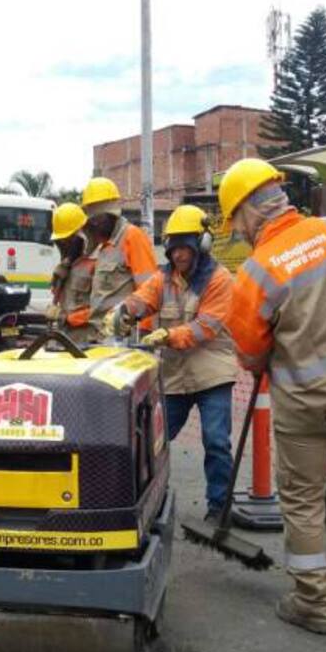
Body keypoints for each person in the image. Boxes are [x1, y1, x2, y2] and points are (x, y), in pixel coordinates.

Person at [220, 159, 326, 635]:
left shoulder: (254, 274)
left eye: (235, 222)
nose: (237, 231)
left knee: (303, 502)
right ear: (278, 194)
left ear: (247, 216)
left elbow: (252, 358)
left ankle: (313, 603)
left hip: (306, 408)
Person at [104, 204, 236, 520]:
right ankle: (139, 499)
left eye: (185, 247)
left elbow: (206, 327)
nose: (178, 255)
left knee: (216, 441)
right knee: (153, 438)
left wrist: (167, 335)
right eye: (173, 248)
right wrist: (122, 313)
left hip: (212, 373)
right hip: (176, 375)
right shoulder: (163, 278)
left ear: (201, 244)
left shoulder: (219, 280)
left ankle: (219, 507)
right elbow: (142, 299)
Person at [80, 177, 158, 325]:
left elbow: (149, 291)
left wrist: (143, 335)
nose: (94, 224)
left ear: (112, 215)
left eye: (97, 218)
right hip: (101, 336)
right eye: (92, 220)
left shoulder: (133, 237)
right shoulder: (104, 247)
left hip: (124, 339)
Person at [45, 202, 98, 343]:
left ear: (80, 235)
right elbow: (60, 300)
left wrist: (68, 318)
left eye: (67, 240)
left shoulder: (97, 263)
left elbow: (103, 309)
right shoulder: (66, 266)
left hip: (87, 340)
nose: (64, 245)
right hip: (65, 338)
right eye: (61, 241)